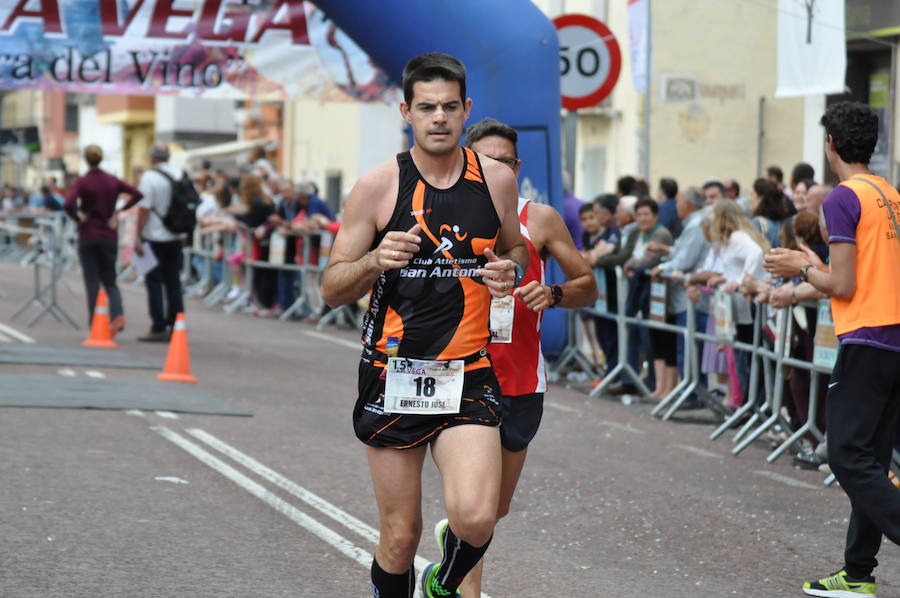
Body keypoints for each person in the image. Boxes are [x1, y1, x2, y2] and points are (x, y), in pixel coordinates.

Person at [319, 52, 528, 598]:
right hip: (394, 373)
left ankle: (444, 581)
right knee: (399, 536)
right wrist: (372, 261)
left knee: (478, 518)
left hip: (467, 371)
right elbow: (331, 286)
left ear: (467, 110)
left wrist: (513, 269)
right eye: (427, 107)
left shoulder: (496, 180)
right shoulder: (378, 186)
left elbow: (515, 248)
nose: (439, 117)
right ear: (406, 111)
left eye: (450, 107)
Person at [454, 116, 597, 597]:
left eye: (506, 162)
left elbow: (588, 286)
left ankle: (451, 557)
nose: (498, 168)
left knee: (494, 509)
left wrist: (553, 293)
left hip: (521, 379)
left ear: (519, 167)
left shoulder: (540, 218)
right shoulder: (446, 215)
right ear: (469, 160)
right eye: (487, 159)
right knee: (474, 502)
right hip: (461, 372)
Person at [765, 101, 900, 598]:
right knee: (873, 457)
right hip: (892, 337)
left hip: (867, 337)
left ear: (831, 146)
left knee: (846, 456)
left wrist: (799, 269)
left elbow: (841, 284)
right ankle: (858, 572)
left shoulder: (843, 197)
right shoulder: (889, 193)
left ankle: (860, 570)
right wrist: (804, 273)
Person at [64, 144, 143, 331]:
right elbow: (137, 193)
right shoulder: (112, 180)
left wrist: (78, 218)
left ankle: (95, 322)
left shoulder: (82, 182)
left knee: (92, 280)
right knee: (110, 280)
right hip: (109, 233)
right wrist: (118, 211)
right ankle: (117, 314)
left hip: (88, 233)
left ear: (86, 159)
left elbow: (68, 203)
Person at [134, 141, 187, 342]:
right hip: (175, 235)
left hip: (154, 235)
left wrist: (137, 236)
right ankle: (177, 323)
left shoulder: (149, 177)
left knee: (154, 281)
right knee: (174, 281)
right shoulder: (179, 174)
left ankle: (158, 326)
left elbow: (144, 208)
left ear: (152, 157)